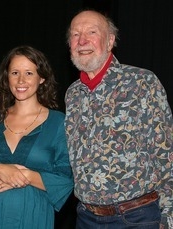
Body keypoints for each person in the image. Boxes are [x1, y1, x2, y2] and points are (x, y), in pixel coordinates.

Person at [64, 9, 173, 229]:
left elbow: (166, 153)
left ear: (110, 40)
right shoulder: (72, 94)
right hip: (86, 218)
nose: (82, 40)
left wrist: (168, 217)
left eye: (91, 32)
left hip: (137, 218)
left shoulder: (142, 82)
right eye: (75, 35)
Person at [0, 45, 74, 229]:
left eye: (29, 73)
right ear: (6, 77)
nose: (21, 80)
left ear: (42, 78)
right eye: (15, 72)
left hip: (33, 217)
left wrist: (23, 175)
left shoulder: (58, 123)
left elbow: (66, 178)